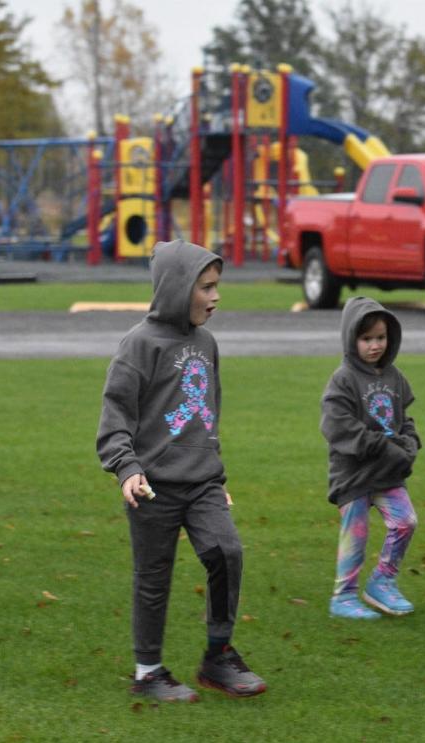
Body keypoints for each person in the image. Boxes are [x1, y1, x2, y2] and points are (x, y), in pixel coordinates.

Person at [97, 240, 266, 702]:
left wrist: (216, 475)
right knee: (153, 578)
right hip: (151, 487)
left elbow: (207, 416)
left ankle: (218, 655)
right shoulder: (139, 345)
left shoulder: (206, 343)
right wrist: (126, 467)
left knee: (226, 552)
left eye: (217, 287)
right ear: (176, 287)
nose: (215, 297)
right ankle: (148, 673)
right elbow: (115, 416)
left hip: (203, 482)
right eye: (205, 287)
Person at [320, 296, 421, 620]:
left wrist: (410, 442)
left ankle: (382, 582)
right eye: (366, 339)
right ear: (352, 339)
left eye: (380, 338)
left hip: (387, 472)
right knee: (356, 536)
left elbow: (404, 419)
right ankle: (344, 596)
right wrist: (381, 445)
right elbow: (337, 426)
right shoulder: (343, 379)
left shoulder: (394, 377)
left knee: (405, 522)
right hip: (353, 475)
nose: (375, 345)